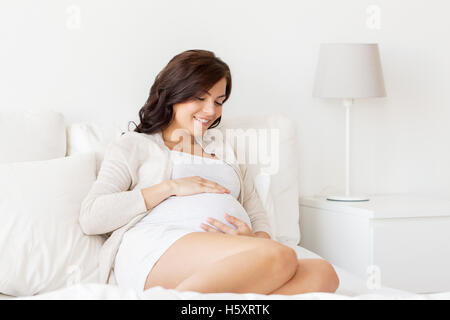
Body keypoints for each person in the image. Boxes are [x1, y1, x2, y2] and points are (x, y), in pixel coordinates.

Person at [79, 49, 339, 295]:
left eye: (219, 101)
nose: (211, 111)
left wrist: (253, 237)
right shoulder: (134, 146)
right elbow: (92, 217)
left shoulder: (227, 153)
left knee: (323, 273)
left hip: (232, 254)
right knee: (279, 254)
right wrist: (171, 187)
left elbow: (257, 215)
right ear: (172, 94)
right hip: (160, 245)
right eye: (200, 98)